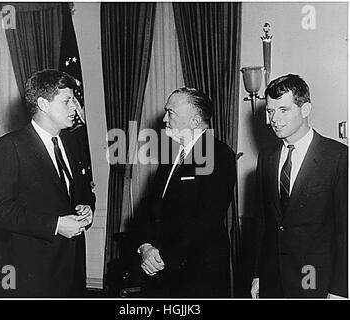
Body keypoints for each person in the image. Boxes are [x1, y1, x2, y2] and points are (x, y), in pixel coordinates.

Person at [0, 69, 96, 297]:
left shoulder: (73, 144)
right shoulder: (10, 146)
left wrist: (87, 209)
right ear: (44, 104)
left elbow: (83, 194)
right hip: (31, 274)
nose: (75, 107)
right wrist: (55, 225)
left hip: (72, 270)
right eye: (68, 101)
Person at [251, 74, 348, 298]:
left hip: (313, 277)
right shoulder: (266, 157)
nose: (274, 119)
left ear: (305, 110)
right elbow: (262, 225)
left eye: (284, 110)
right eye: (270, 111)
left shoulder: (338, 157)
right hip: (272, 279)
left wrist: (340, 290)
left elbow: (345, 231)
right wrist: (257, 275)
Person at [136, 87, 236, 297]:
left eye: (171, 113)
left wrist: (163, 257)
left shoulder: (219, 155)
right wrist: (146, 246)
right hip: (161, 270)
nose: (164, 118)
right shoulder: (170, 154)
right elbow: (150, 209)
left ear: (194, 120)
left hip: (197, 273)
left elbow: (206, 220)